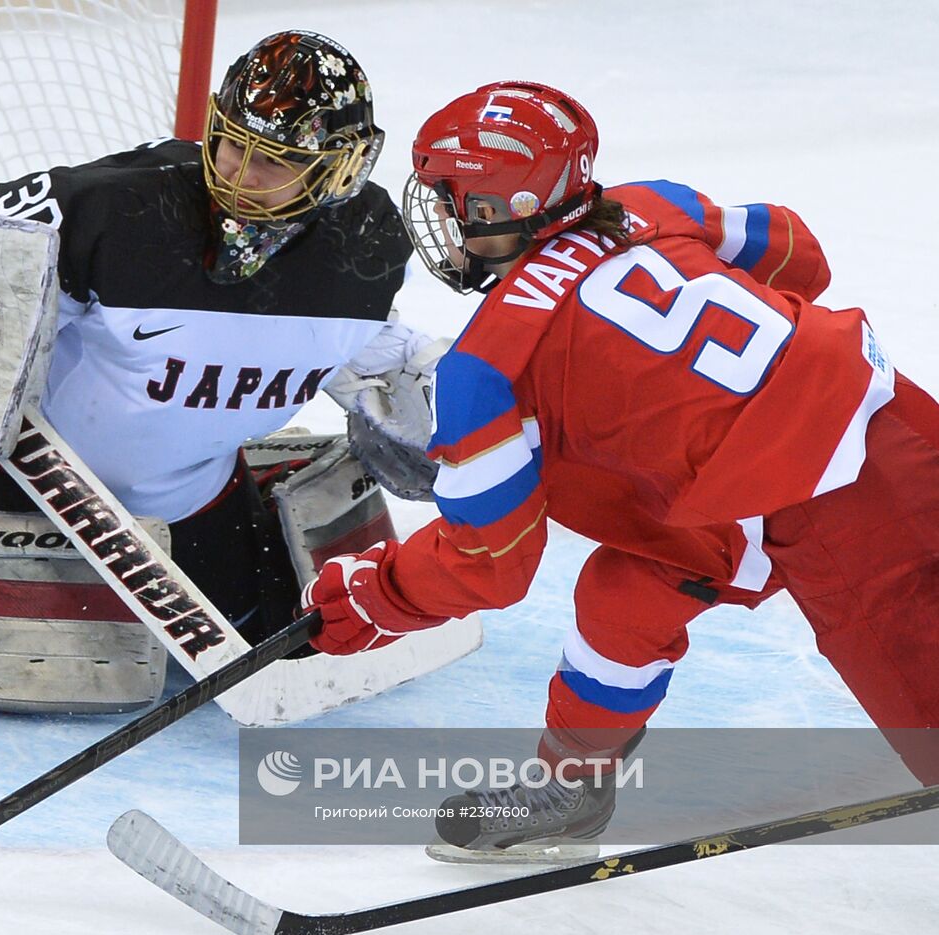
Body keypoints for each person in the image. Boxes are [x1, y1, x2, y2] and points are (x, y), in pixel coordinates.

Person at [301, 80, 939, 858]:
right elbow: (796, 251)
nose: (442, 219)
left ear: (500, 209)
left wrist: (376, 596)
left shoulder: (487, 370)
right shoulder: (652, 203)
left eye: (450, 199)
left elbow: (489, 563)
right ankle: (571, 786)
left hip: (834, 506)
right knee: (622, 599)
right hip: (887, 421)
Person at [0, 31, 432, 648]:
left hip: (194, 505)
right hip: (21, 490)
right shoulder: (120, 210)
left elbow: (339, 331)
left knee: (265, 644)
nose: (238, 173)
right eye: (232, 142)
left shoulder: (366, 242)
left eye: (274, 160)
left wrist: (397, 369)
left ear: (341, 168)